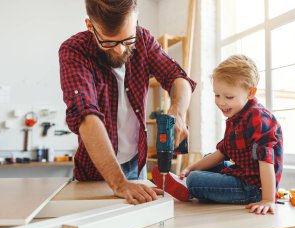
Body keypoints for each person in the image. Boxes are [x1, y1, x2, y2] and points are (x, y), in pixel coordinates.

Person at [59, 0, 196, 205]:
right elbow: (86, 116)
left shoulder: (144, 40)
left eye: (127, 40)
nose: (120, 51)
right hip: (97, 171)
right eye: (109, 42)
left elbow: (178, 78)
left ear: (136, 22)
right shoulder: (74, 51)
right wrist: (119, 183)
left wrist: (177, 111)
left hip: (136, 164)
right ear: (90, 26)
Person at [152, 55, 283, 215]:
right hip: (244, 173)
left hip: (254, 188)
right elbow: (222, 153)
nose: (221, 102)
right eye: (217, 95)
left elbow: (266, 161)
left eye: (229, 97)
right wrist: (190, 168)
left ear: (251, 92)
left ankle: (189, 186)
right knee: (207, 161)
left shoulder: (258, 119)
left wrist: (268, 199)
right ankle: (188, 181)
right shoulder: (236, 117)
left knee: (195, 180)